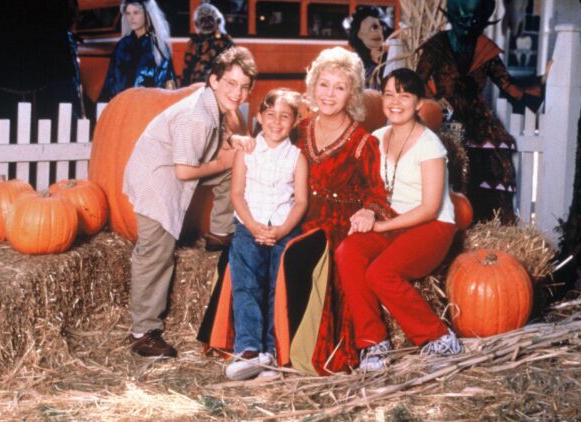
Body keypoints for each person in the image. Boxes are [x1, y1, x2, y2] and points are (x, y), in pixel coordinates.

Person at [123, 46, 257, 358]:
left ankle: (221, 232)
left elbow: (214, 139)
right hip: (157, 178)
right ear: (214, 80)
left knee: (232, 167)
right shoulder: (196, 116)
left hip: (174, 169)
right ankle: (143, 331)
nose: (237, 94)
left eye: (244, 87)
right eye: (230, 84)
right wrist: (227, 160)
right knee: (156, 253)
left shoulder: (215, 106)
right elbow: (184, 171)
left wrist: (233, 143)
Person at [335, 68, 463, 372]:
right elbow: (370, 190)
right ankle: (373, 343)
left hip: (431, 225)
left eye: (404, 95)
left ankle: (441, 340)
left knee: (380, 273)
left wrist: (380, 225)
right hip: (392, 220)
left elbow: (431, 207)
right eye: (389, 94)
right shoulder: (377, 139)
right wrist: (368, 210)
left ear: (419, 103)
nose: (395, 102)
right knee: (347, 252)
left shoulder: (430, 145)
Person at [285, 47, 392, 375]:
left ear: (353, 94)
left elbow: (377, 196)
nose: (329, 94)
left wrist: (369, 213)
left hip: (338, 227)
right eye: (324, 84)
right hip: (300, 217)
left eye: (340, 87)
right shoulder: (297, 131)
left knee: (330, 259)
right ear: (313, 85)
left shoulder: (363, 142)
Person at [416, 0, 545, 224]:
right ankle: (446, 223)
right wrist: (437, 103)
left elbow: (507, 84)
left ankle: (483, 223)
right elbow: (418, 82)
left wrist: (538, 91)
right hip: (442, 117)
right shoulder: (436, 46)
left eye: (475, 19)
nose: (469, 24)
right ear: (452, 15)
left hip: (477, 120)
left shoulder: (486, 48)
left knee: (488, 166)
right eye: (463, 18)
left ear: (484, 19)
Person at [225, 89, 308, 380]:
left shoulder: (297, 157)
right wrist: (252, 225)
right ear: (259, 117)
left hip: (283, 229)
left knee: (277, 287)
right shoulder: (246, 152)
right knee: (247, 285)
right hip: (250, 226)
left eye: (284, 116)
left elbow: (300, 201)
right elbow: (236, 194)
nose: (276, 122)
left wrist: (282, 230)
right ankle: (248, 348)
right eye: (270, 115)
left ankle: (270, 353)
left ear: (295, 121)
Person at [98, 0, 177, 102]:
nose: (131, 18)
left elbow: (168, 86)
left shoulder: (158, 48)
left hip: (148, 110)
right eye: (128, 13)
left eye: (136, 12)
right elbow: (110, 84)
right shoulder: (122, 46)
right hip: (121, 109)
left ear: (147, 14)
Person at [182, 3, 234, 87]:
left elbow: (231, 68)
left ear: (217, 21)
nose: (206, 23)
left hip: (217, 87)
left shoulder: (225, 41)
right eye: (203, 20)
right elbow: (186, 71)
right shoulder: (193, 42)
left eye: (210, 19)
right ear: (197, 23)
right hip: (195, 88)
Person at [343, 6, 393, 90]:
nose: (378, 31)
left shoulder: (390, 57)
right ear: (359, 35)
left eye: (379, 26)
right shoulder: (354, 64)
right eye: (372, 28)